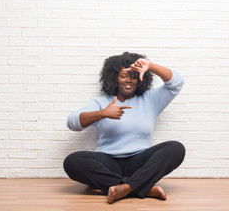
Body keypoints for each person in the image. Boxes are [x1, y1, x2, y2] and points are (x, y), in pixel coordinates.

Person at [63, 52, 186, 204]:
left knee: (176, 148)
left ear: (140, 79)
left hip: (140, 163)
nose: (129, 81)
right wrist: (102, 113)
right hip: (107, 163)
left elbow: (176, 83)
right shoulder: (102, 102)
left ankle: (125, 188)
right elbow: (72, 123)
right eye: (123, 76)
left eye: (133, 76)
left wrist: (150, 66)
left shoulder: (150, 99)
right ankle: (140, 188)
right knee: (72, 161)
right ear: (114, 78)